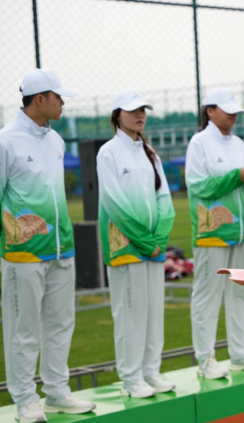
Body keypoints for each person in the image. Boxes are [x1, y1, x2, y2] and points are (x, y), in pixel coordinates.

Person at [0, 69, 96, 423]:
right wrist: (12, 234)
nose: (63, 103)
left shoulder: (56, 140)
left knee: (60, 324)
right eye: (58, 97)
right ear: (40, 99)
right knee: (23, 329)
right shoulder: (3, 142)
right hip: (24, 253)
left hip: (62, 249)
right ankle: (26, 400)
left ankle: (57, 392)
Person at [185, 88, 244, 379]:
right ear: (209, 111)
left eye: (235, 110)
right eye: (227, 109)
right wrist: (237, 177)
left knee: (240, 295)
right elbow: (198, 185)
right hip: (213, 232)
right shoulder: (199, 143)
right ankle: (205, 359)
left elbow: (243, 187)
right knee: (207, 296)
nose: (233, 115)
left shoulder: (239, 144)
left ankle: (240, 354)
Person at [97, 90, 176, 399]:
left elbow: (164, 198)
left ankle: (150, 371)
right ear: (117, 115)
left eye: (143, 109)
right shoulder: (108, 153)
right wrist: (144, 241)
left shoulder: (149, 152)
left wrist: (158, 239)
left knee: (154, 312)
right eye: (132, 110)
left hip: (153, 247)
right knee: (130, 313)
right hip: (126, 247)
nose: (140, 115)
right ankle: (131, 378)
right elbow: (114, 203)